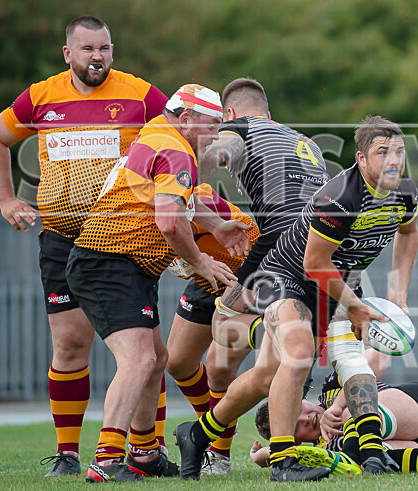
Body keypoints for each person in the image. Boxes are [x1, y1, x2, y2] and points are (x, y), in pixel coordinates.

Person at [175, 115, 418, 482]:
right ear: (361, 158)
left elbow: (409, 232)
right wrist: (354, 306)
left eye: (398, 151)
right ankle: (283, 461)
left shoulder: (403, 191)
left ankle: (196, 436)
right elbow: (315, 261)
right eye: (382, 152)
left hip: (339, 280)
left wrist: (398, 290)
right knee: (299, 353)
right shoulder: (341, 197)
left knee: (323, 365)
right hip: (287, 276)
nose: (392, 160)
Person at [0, 16, 168, 477]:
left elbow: (177, 139)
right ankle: (67, 455)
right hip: (62, 239)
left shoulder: (140, 94)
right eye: (88, 49)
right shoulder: (42, 96)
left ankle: (148, 451)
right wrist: (6, 199)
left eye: (104, 48)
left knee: (146, 351)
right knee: (68, 345)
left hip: (122, 242)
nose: (98, 57)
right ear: (69, 54)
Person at [66, 84, 251, 482]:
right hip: (110, 261)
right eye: (211, 124)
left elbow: (175, 201)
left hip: (121, 263)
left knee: (157, 360)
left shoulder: (156, 132)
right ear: (186, 119)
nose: (216, 135)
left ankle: (145, 454)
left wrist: (216, 226)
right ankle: (106, 460)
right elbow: (170, 221)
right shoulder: (177, 148)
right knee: (140, 360)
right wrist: (199, 261)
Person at [167, 77, 328, 476]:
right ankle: (206, 443)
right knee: (240, 368)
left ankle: (218, 448)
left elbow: (223, 150)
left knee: (228, 335)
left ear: (229, 115)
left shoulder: (238, 130)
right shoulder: (306, 143)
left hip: (276, 250)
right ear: (269, 114)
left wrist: (189, 163)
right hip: (314, 252)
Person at [165, 182, 260, 475]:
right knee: (178, 361)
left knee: (218, 367)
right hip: (208, 276)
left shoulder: (190, 195)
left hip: (248, 275)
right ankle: (211, 424)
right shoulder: (137, 199)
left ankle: (218, 455)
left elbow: (173, 226)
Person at [250, 371, 418, 475]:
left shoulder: (330, 389)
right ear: (294, 440)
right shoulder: (321, 452)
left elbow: (371, 364)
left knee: (354, 410)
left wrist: (336, 406)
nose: (306, 417)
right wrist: (266, 454)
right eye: (296, 426)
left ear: (300, 399)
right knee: (375, 455)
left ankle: (351, 456)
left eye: (299, 410)